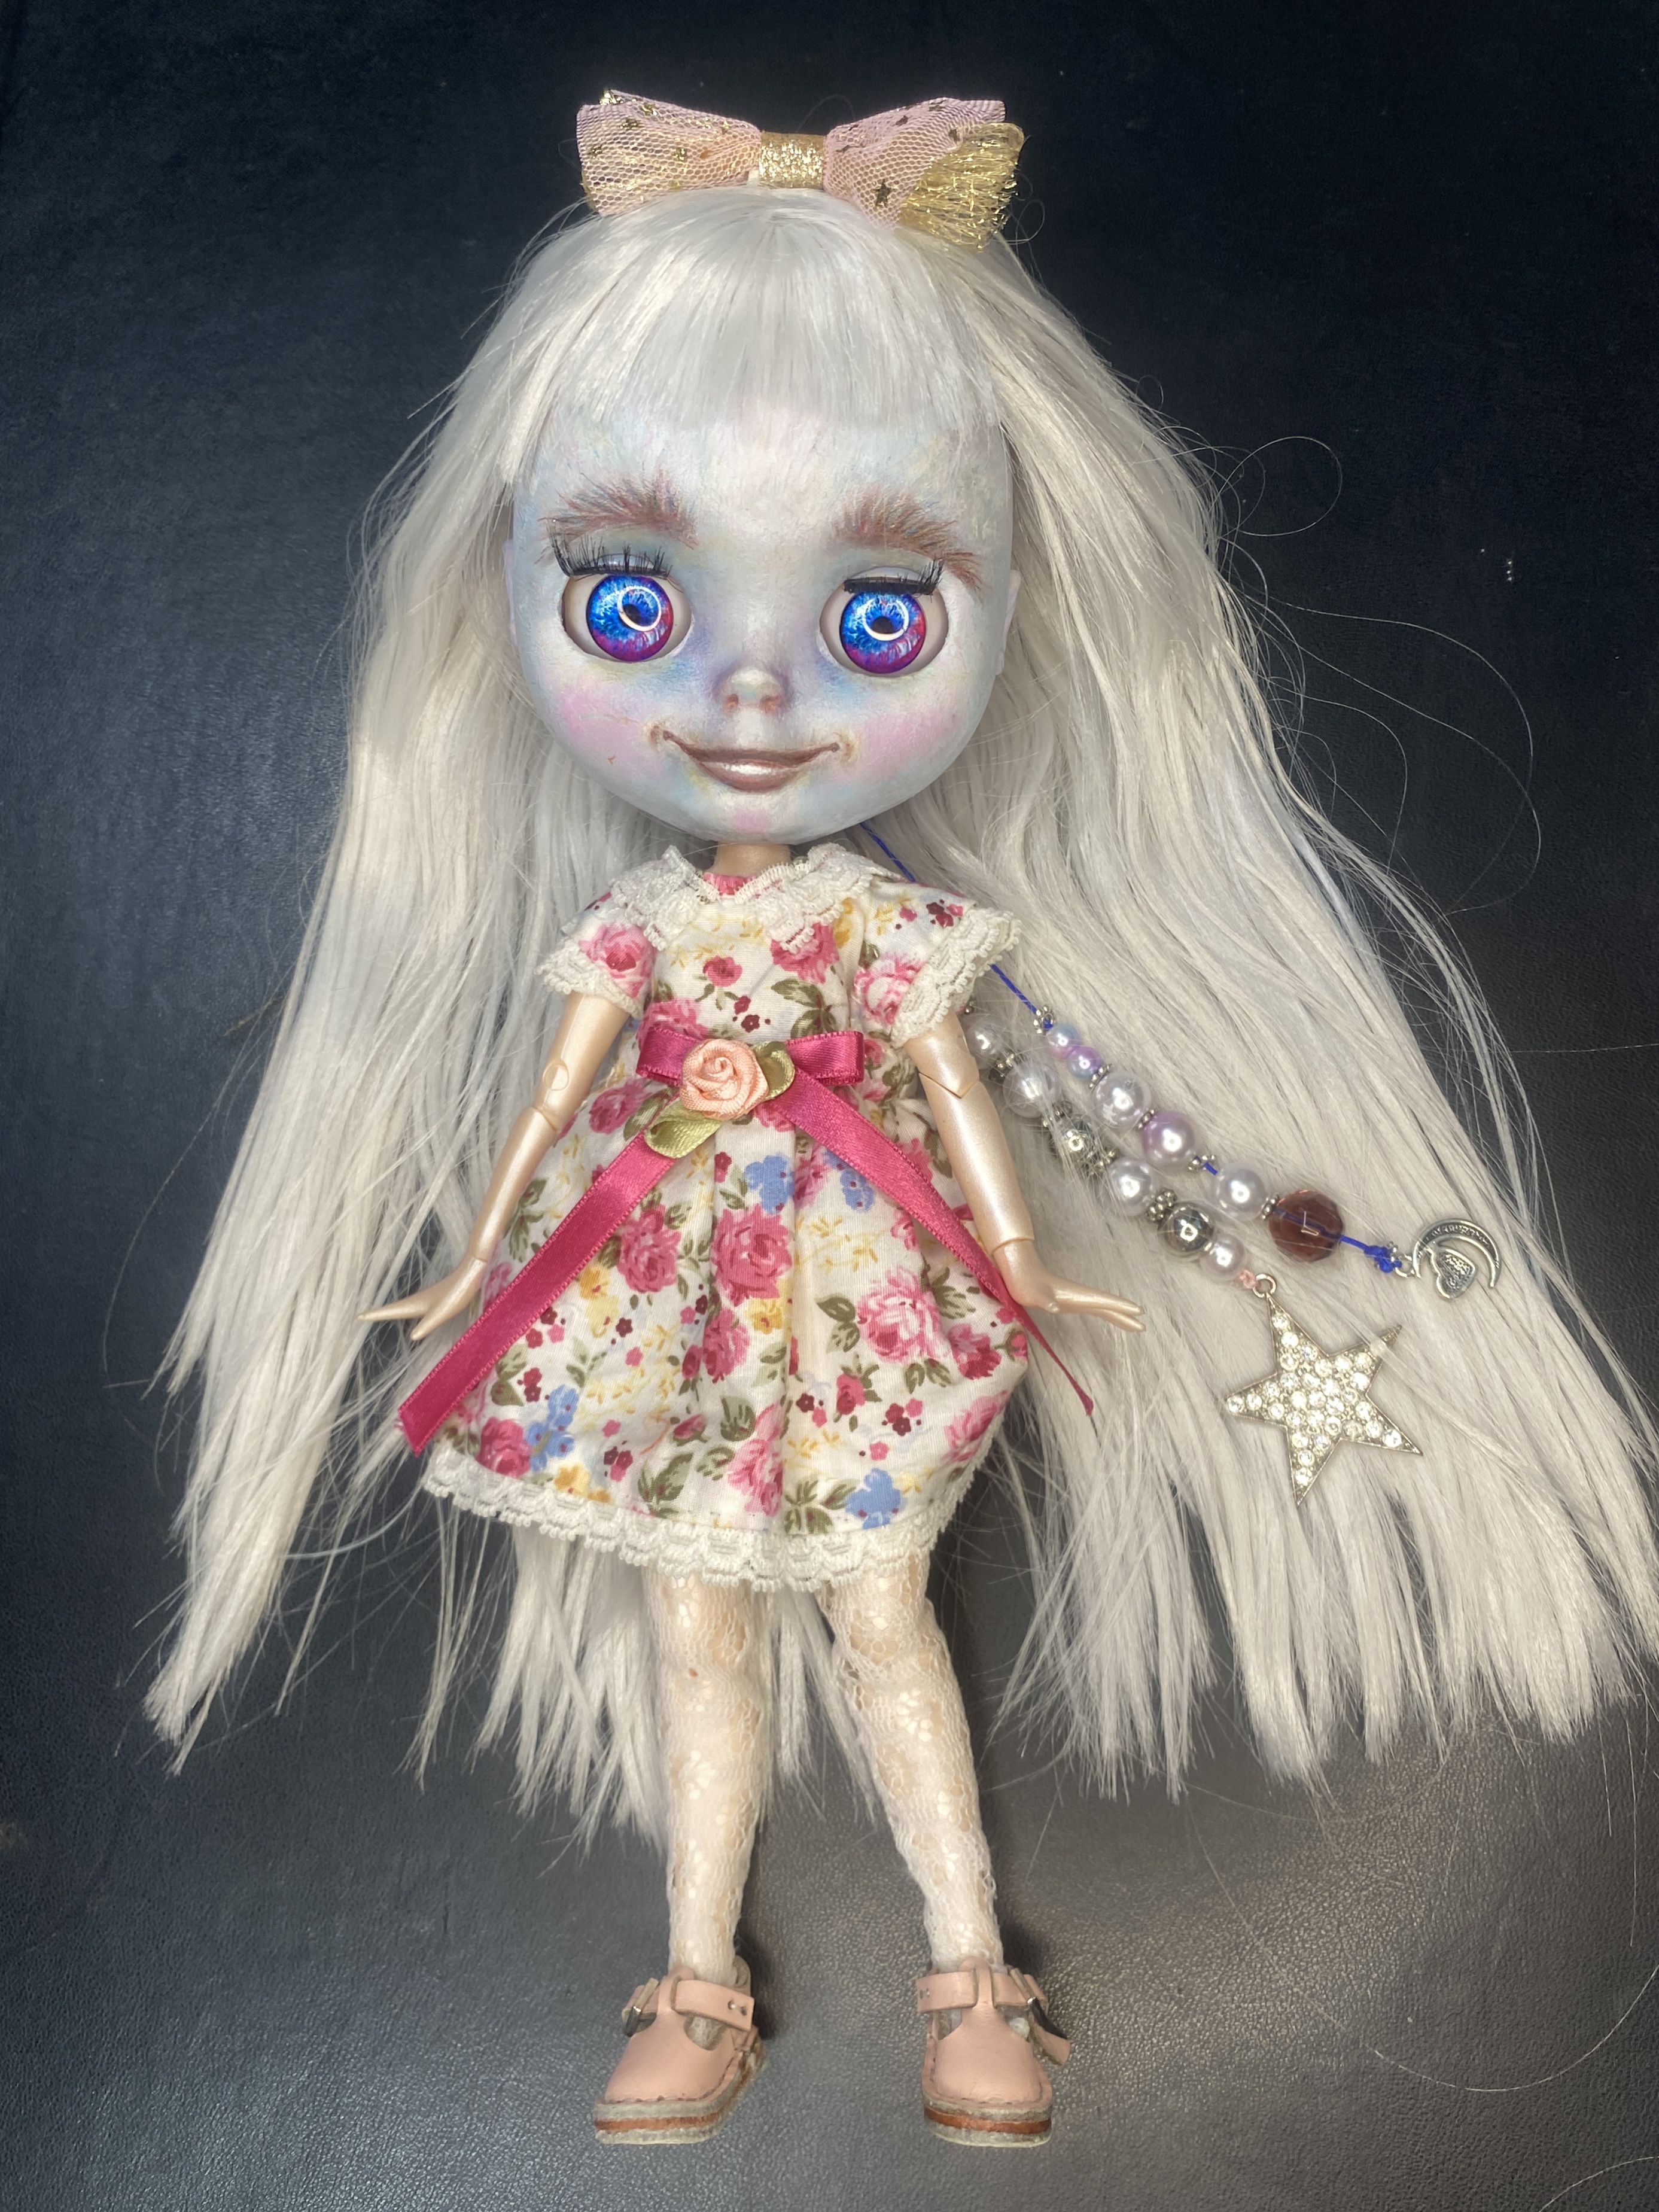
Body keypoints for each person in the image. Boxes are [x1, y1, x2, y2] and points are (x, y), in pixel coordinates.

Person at [147, 92, 1659, 2150]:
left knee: (881, 1617)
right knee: (696, 1630)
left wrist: (1032, 1269)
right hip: (661, 1311)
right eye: (629, 600)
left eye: (879, 616)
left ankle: (973, 1972)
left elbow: (958, 1089)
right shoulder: (636, 927)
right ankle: (696, 1977)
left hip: (864, 1308)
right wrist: (480, 1248)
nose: (755, 697)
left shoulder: (891, 929)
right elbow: (559, 1099)